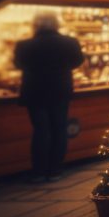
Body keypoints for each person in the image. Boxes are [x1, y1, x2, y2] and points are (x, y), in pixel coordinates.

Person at [15, 11, 85, 182]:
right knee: (59, 129)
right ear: (56, 24)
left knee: (40, 130)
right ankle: (55, 171)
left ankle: (39, 172)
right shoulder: (69, 42)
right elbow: (78, 61)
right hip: (60, 89)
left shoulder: (25, 44)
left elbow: (18, 64)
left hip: (35, 90)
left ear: (36, 24)